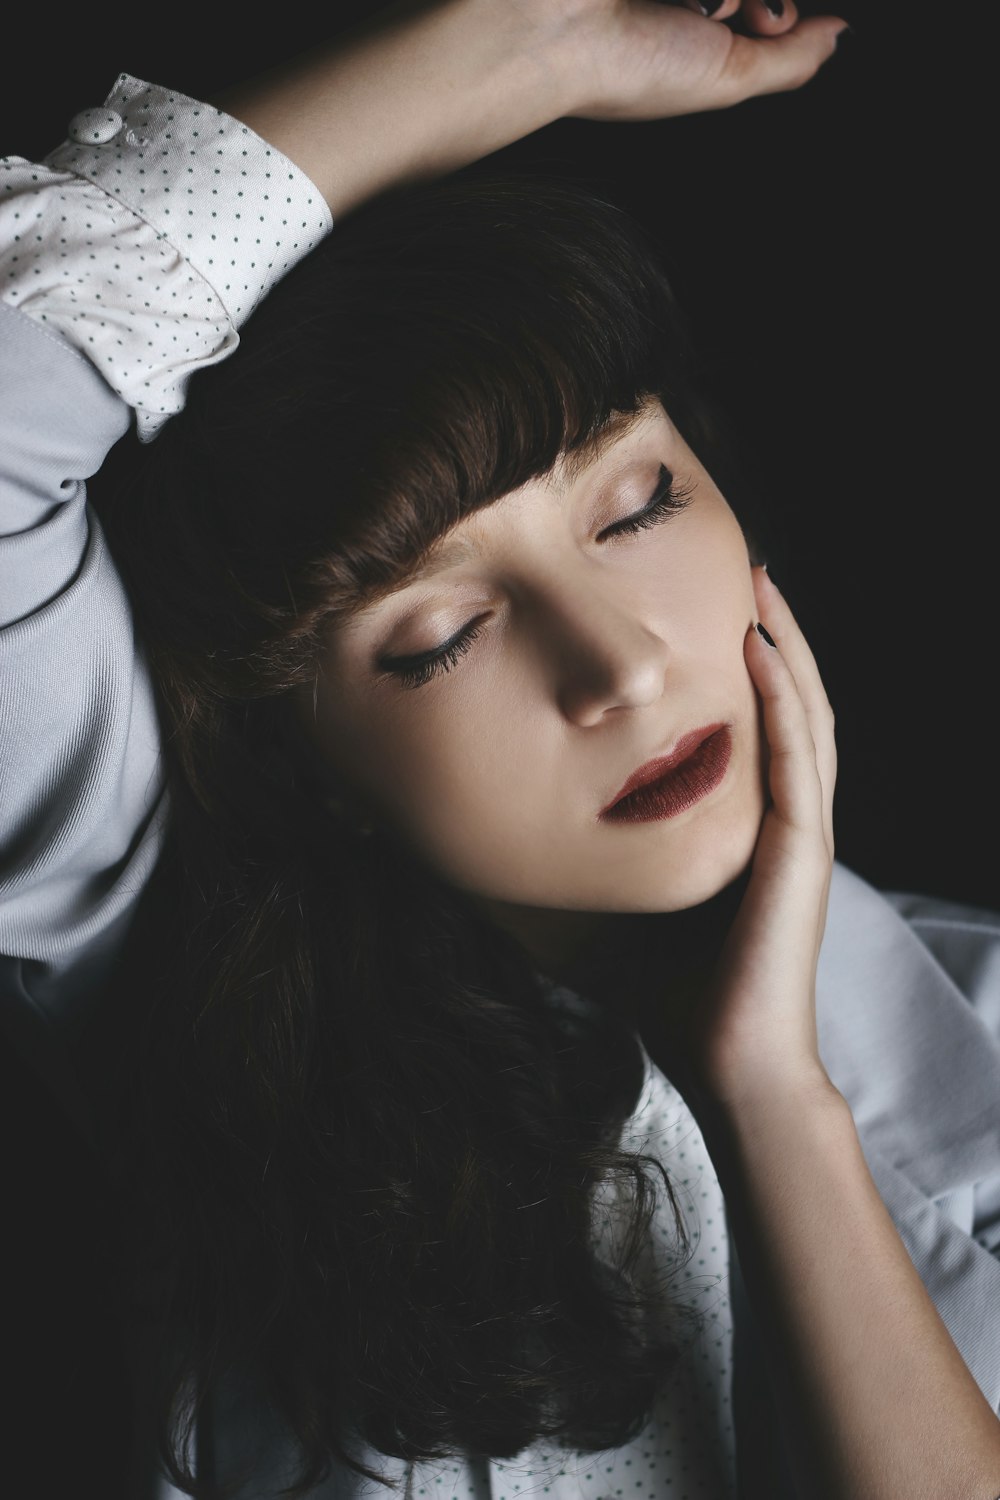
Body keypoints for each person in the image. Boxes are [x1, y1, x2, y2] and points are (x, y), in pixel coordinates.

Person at [2, 3, 999, 1498]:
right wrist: (531, 50)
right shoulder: (181, 1005)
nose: (621, 666)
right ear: (295, 743)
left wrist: (779, 1097)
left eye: (638, 501)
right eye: (437, 637)